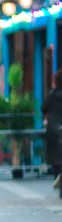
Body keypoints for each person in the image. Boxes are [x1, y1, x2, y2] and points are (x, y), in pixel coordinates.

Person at [42, 68, 62, 197]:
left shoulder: (53, 94)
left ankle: (58, 181)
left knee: (56, 158)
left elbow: (43, 108)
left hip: (54, 130)